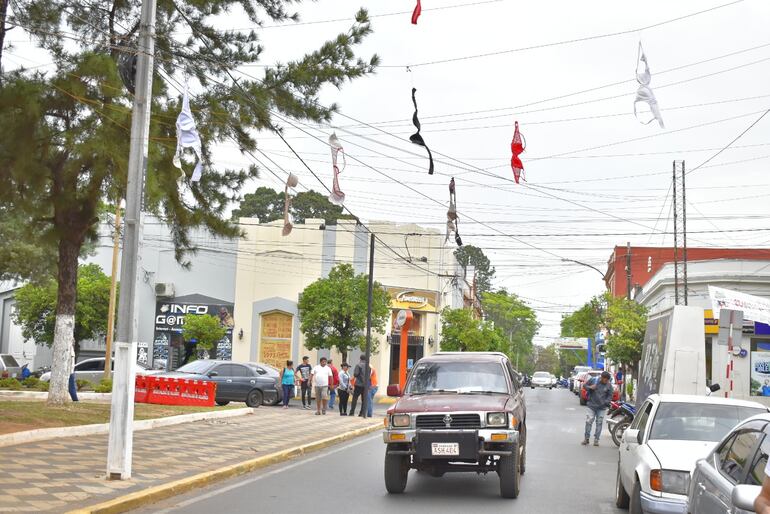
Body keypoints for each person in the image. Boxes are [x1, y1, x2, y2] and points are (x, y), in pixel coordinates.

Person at [582, 371, 614, 446]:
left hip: (602, 408)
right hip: (591, 406)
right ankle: (586, 439)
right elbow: (584, 386)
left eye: (607, 380)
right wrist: (590, 387)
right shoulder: (593, 380)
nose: (606, 381)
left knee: (599, 423)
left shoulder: (609, 385)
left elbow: (610, 395)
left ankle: (596, 440)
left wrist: (606, 402)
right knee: (589, 422)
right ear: (601, 377)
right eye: (605, 379)